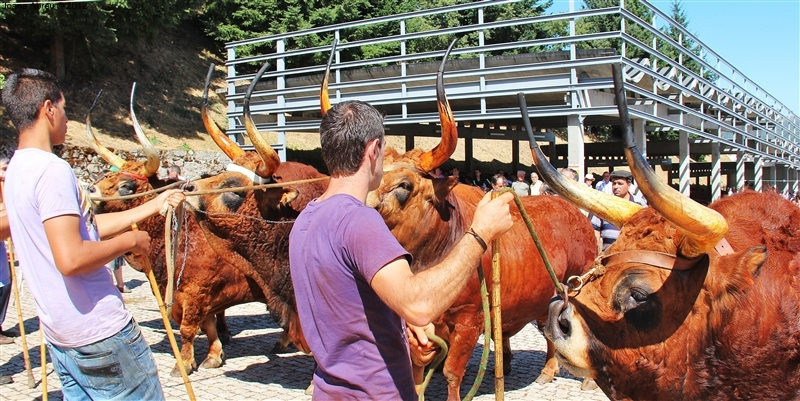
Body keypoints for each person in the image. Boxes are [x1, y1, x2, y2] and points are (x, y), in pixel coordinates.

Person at [288, 100, 514, 400]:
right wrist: (480, 232)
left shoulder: (306, 219)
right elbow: (419, 306)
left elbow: (349, 309)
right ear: (373, 150)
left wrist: (403, 338)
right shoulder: (359, 219)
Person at [1, 68, 185, 399]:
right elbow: (71, 259)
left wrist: (152, 205)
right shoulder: (52, 170)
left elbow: (81, 229)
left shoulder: (16, 168)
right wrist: (132, 241)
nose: (67, 119)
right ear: (48, 109)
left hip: (61, 337)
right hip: (100, 333)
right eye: (65, 108)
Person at [589, 170, 647, 252]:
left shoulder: (639, 203)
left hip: (633, 255)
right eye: (614, 183)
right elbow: (595, 230)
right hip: (608, 255)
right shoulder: (603, 203)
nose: (616, 186)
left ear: (629, 185)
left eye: (620, 184)